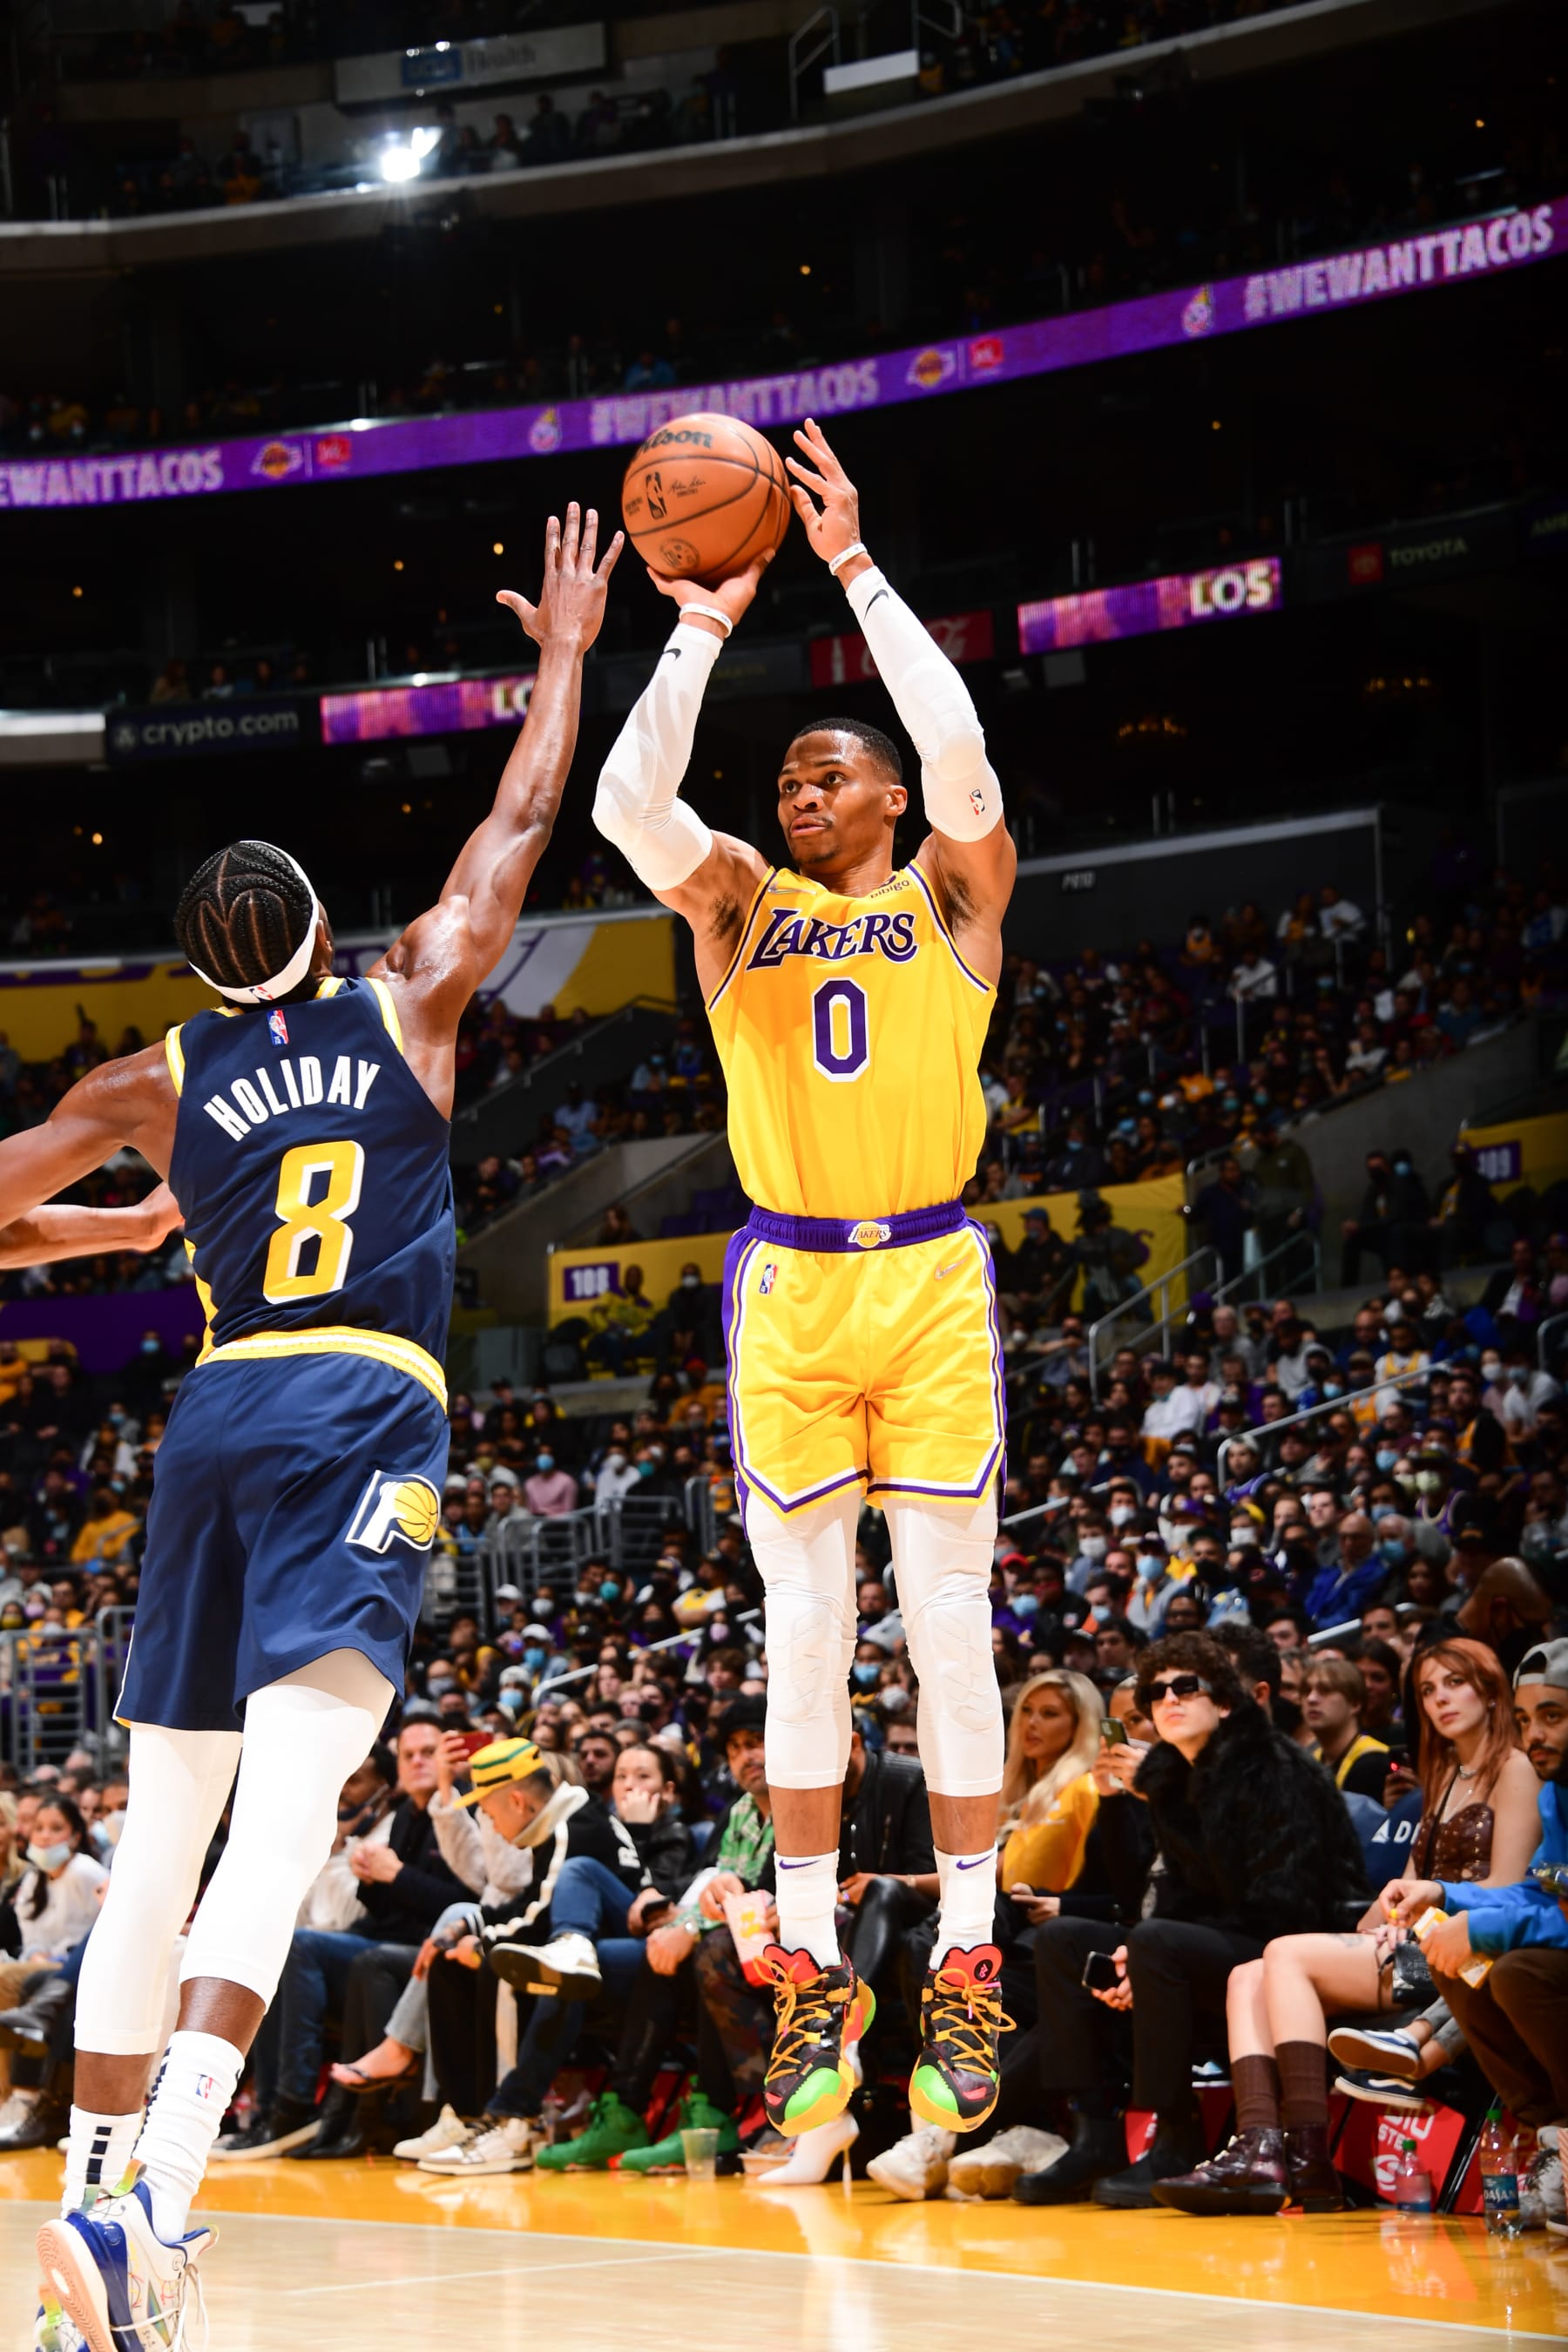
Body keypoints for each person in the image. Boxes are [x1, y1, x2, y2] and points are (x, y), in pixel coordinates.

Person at [24, 504, 620, 2350]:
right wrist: (568, 662)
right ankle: (169, 2215)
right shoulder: (413, 991)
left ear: (208, 967)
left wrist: (122, 1223)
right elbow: (517, 833)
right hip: (378, 1419)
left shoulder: (152, 1076)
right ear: (318, 931)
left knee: (163, 1827)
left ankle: (85, 2205)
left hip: (212, 1415)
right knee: (288, 1815)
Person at [591, 418, 1016, 2139]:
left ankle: (972, 1971)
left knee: (944, 1622)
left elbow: (973, 766)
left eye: (827, 777)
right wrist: (702, 614)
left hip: (926, 1281)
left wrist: (852, 566)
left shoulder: (956, 890)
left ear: (889, 794)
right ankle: (811, 1974)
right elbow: (630, 805)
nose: (796, 798)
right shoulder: (737, 906)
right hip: (787, 1292)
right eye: (786, 785)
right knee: (804, 1634)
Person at [1155, 1635, 1540, 2215]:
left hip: (1467, 1951)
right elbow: (1402, 1889)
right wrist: (1380, 1924)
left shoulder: (1514, 1768)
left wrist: (1412, 1917)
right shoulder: (1445, 1777)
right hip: (1415, 1942)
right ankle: (1259, 2145)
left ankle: (1305, 2153)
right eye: (1429, 1689)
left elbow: (1507, 1890)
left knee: (1284, 1953)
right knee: (1246, 1976)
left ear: (1490, 1691)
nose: (1440, 1700)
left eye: (1455, 1684)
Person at [1011, 1632, 1365, 2211]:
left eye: (1186, 1686)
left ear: (1225, 1701)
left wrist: (1154, 1946)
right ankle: (1095, 2133)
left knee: (1155, 1941)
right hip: (1215, 1938)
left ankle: (1176, 2136)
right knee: (1064, 1940)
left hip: (1295, 1943)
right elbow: (1172, 1892)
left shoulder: (1273, 1766)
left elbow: (1285, 1903)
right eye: (1157, 1691)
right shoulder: (1174, 1775)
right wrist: (1133, 1953)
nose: (1169, 1699)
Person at [1394, 1635, 1568, 2227]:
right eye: (1527, 1720)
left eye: (1552, 1716)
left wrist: (1485, 1925)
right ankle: (1549, 2139)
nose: (1535, 1734)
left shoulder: (1524, 1774)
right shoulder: (1559, 1793)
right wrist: (1445, 1897)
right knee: (1454, 1958)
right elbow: (1546, 1890)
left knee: (1516, 1969)